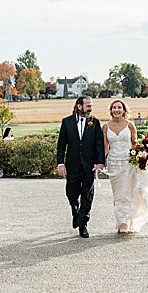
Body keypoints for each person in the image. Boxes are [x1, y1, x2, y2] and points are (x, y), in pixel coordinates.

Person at [101, 98, 148, 235]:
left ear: (124, 110)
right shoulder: (105, 127)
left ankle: (125, 222)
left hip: (128, 163)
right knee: (118, 195)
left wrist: (142, 157)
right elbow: (105, 148)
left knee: (128, 193)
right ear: (111, 111)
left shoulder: (130, 125)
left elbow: (135, 144)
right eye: (114, 108)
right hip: (113, 163)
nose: (116, 110)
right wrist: (99, 162)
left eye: (119, 107)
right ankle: (121, 221)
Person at [55, 96, 104, 238]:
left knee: (87, 195)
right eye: (88, 105)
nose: (90, 108)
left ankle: (83, 224)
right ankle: (75, 211)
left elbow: (99, 144)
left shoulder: (94, 122)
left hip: (89, 166)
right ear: (79, 106)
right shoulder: (67, 122)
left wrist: (100, 162)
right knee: (71, 193)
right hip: (72, 164)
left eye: (91, 105)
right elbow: (61, 145)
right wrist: (60, 163)